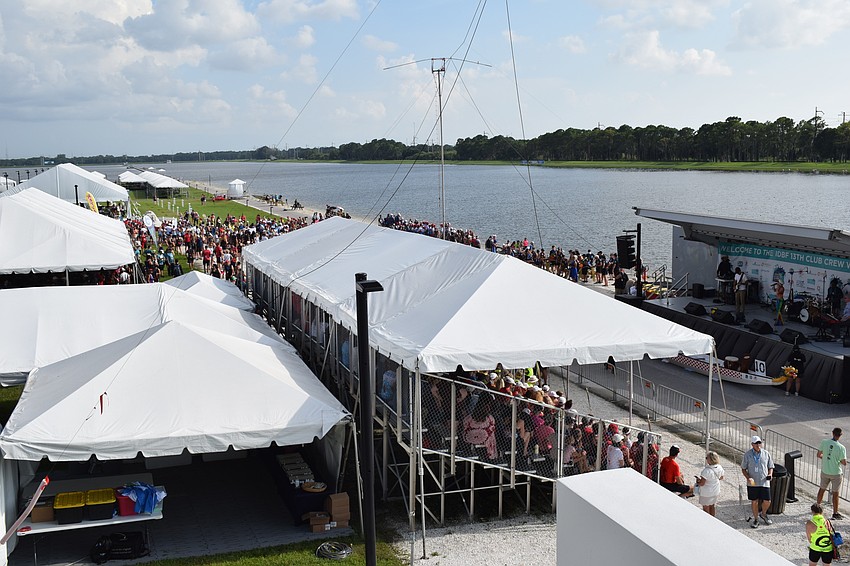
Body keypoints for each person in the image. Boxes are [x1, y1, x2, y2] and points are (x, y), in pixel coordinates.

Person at [741, 435, 774, 528]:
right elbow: (743, 469)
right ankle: (756, 519)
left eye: (759, 443)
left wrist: (770, 474)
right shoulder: (747, 455)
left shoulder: (766, 453)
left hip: (764, 482)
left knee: (767, 501)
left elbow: (771, 466)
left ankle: (763, 514)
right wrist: (748, 478)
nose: (758, 445)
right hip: (753, 483)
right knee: (754, 501)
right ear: (752, 444)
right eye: (756, 443)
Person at [817, 427, 847, 520]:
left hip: (825, 471)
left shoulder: (824, 442)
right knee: (835, 493)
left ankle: (817, 508)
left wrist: (826, 458)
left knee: (822, 489)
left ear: (832, 433)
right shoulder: (841, 447)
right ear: (840, 435)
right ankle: (835, 513)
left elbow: (819, 454)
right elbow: (844, 462)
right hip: (836, 473)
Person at [697, 451, 725, 517]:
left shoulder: (706, 471)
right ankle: (713, 519)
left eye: (707, 458)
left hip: (706, 492)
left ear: (711, 459)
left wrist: (698, 481)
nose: (706, 459)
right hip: (715, 490)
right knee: (712, 505)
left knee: (705, 507)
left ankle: (707, 520)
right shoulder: (719, 467)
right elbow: (721, 477)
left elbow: (702, 483)